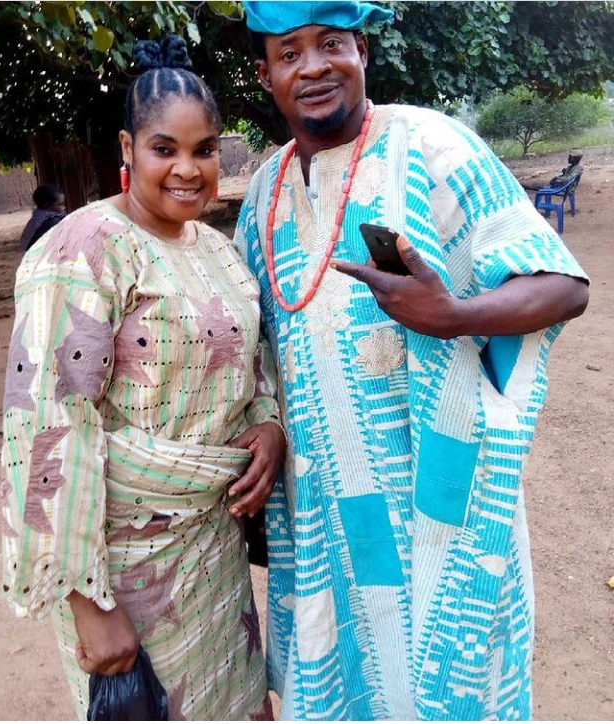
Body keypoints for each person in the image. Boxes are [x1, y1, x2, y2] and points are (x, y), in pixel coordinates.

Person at [235, 2, 589, 720]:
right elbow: (258, 352)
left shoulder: (432, 145)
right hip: (326, 520)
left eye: (332, 43)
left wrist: (454, 315)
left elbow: (562, 284)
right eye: (290, 52)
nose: (314, 67)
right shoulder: (262, 198)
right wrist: (267, 426)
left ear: (362, 50)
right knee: (349, 686)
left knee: (450, 690)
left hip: (441, 509)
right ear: (266, 75)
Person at [0, 34, 285, 720]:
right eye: (165, 148)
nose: (188, 170)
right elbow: (47, 422)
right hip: (121, 571)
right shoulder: (83, 250)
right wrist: (87, 602)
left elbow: (254, 361)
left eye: (204, 149)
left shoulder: (219, 251)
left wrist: (269, 425)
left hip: (213, 556)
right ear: (128, 149)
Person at [19, 183, 66, 252]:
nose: (63, 207)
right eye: (60, 204)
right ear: (46, 205)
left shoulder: (37, 218)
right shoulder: (52, 221)